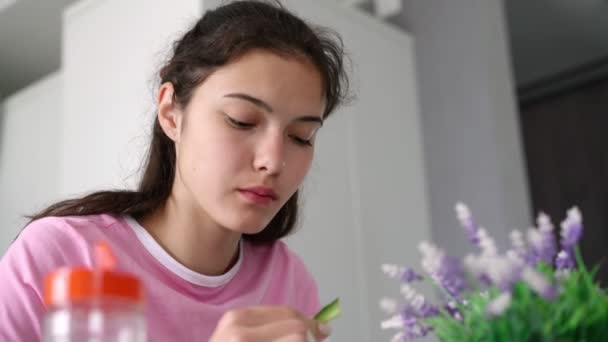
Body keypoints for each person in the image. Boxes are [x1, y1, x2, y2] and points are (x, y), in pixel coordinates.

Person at [0, 1, 349, 341]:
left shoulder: (290, 283)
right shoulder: (60, 254)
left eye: (301, 137)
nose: (273, 161)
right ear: (170, 113)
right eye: (241, 121)